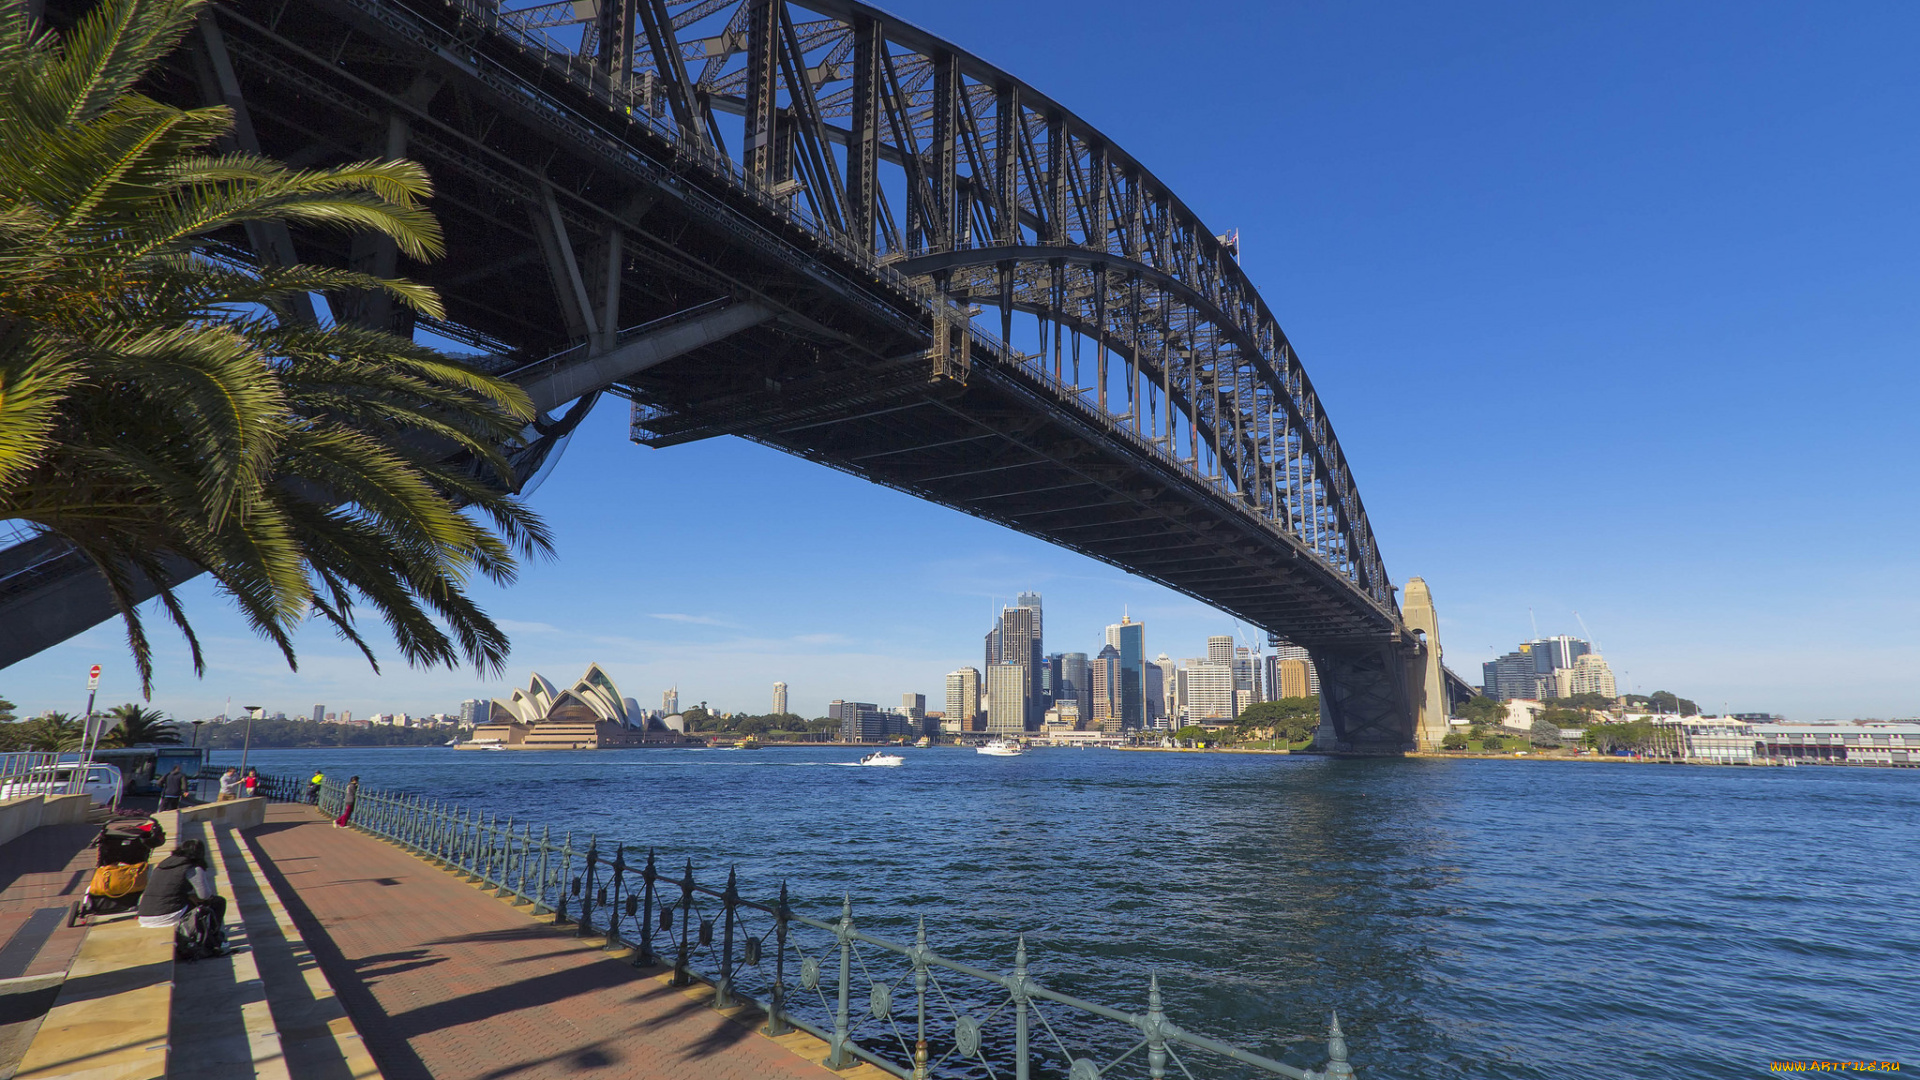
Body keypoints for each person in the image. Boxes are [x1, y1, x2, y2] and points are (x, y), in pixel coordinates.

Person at [137, 838, 225, 929]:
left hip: (144, 915)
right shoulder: (192, 868)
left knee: (190, 901)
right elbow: (204, 895)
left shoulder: (162, 865)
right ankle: (214, 938)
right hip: (166, 915)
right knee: (218, 902)